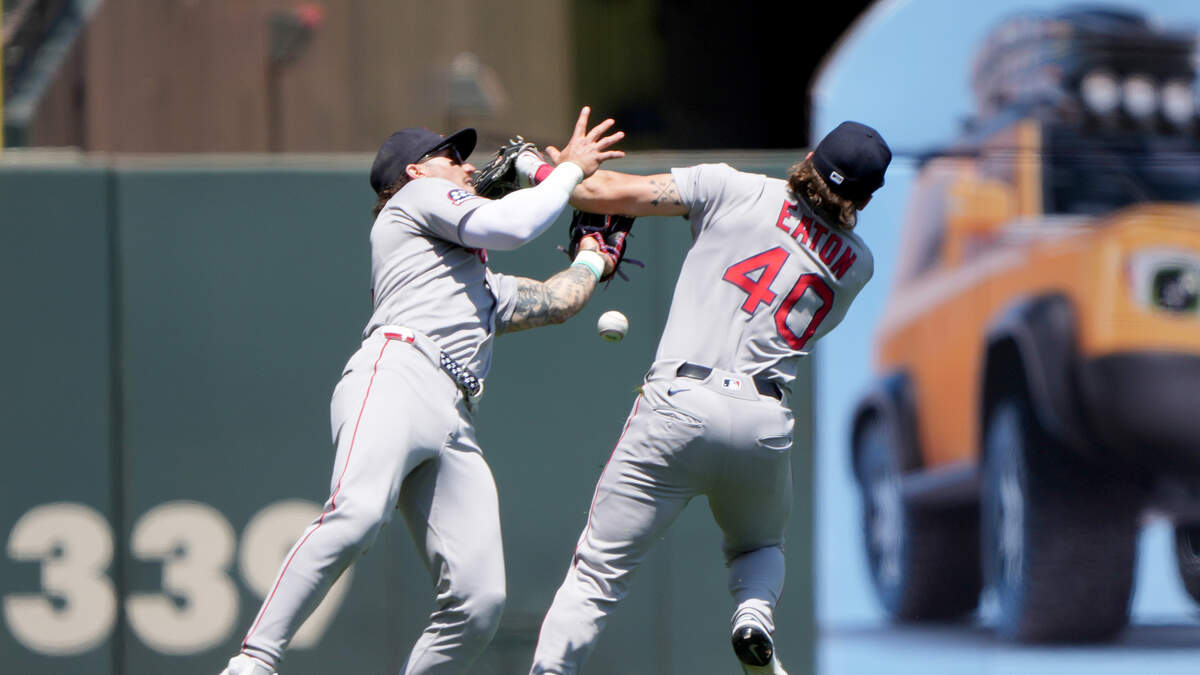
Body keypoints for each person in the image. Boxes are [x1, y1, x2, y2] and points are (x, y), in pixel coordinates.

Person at [220, 107, 625, 675]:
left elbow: (557, 302)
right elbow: (511, 227)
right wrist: (569, 171)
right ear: (415, 169)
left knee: (478, 604)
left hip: (455, 415)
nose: (467, 167)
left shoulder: (474, 281)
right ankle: (253, 662)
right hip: (398, 372)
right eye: (451, 156)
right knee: (358, 513)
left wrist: (592, 258)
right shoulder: (414, 198)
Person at [527, 121, 892, 675]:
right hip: (762, 420)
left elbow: (593, 192)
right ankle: (754, 615)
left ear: (811, 154)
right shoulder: (858, 266)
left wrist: (552, 168)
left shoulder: (731, 186)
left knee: (597, 573)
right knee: (759, 549)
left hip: (679, 401)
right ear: (864, 199)